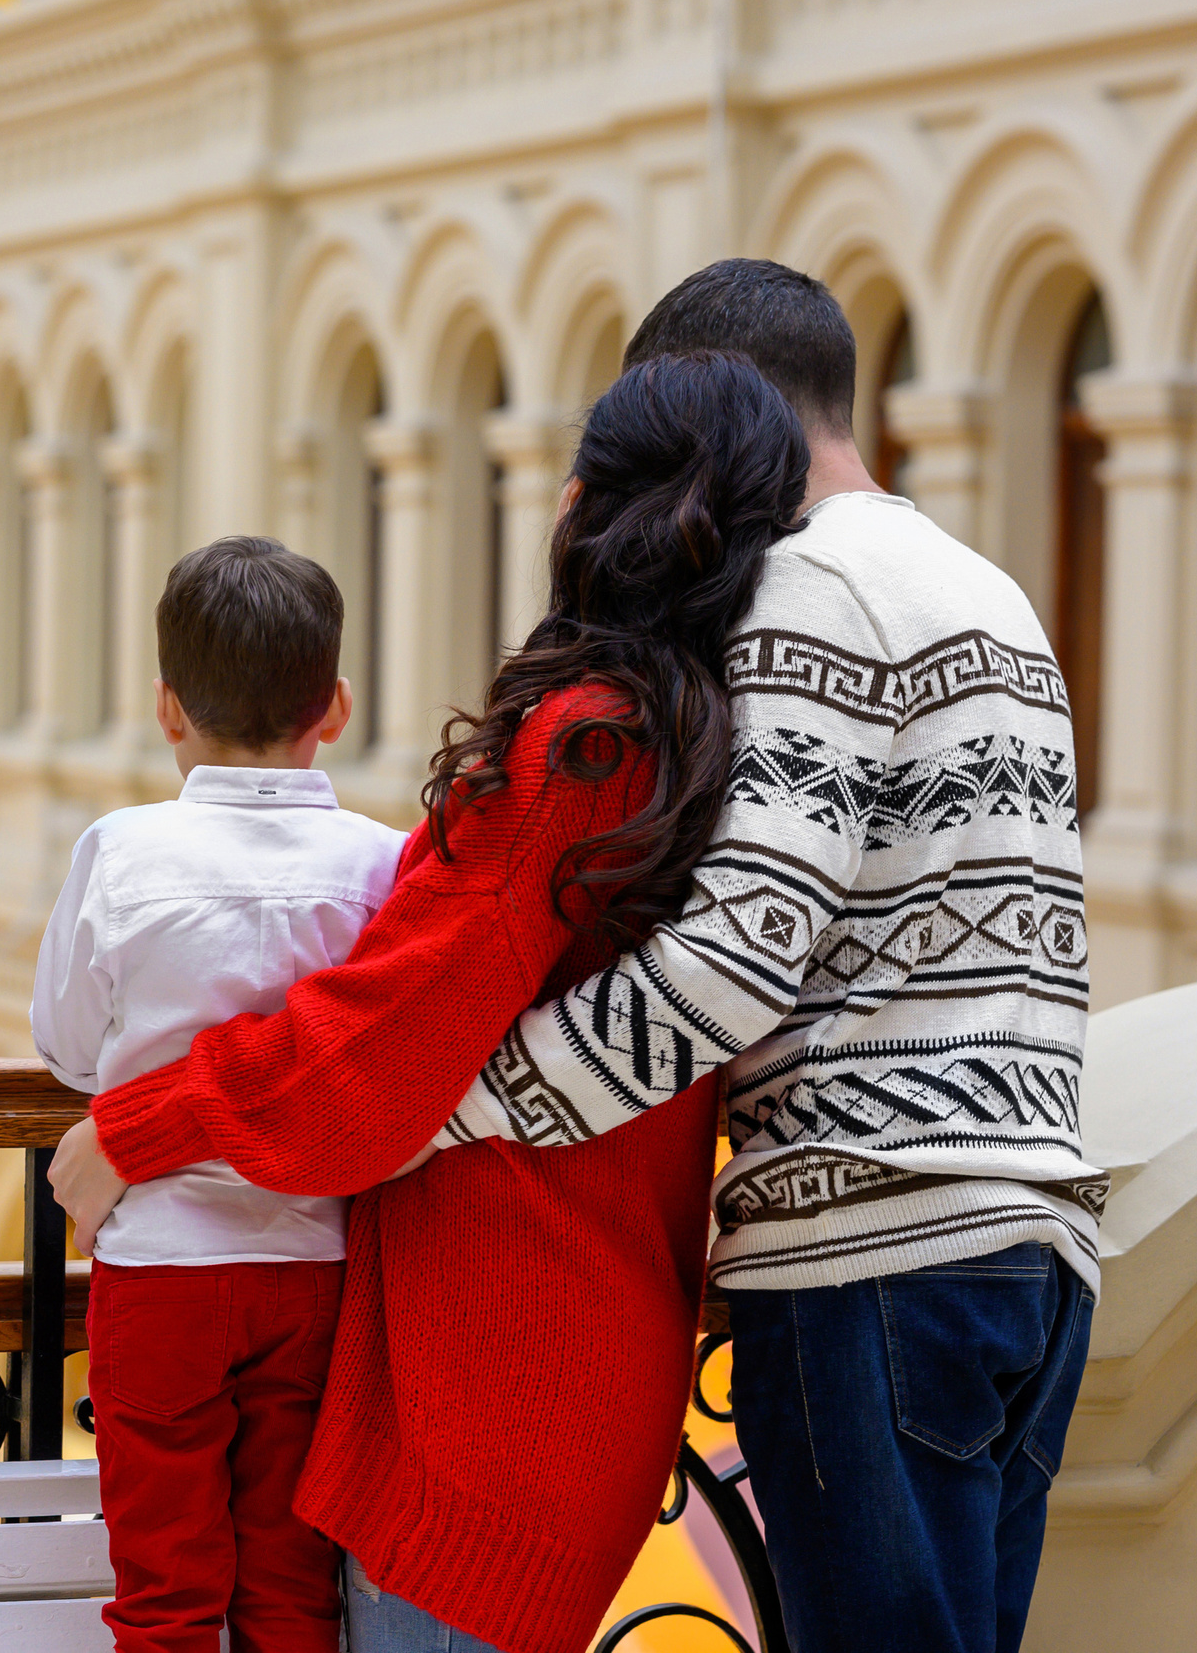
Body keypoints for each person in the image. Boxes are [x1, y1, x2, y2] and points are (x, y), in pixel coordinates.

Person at [56, 260, 1103, 1653]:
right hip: (1035, 1232)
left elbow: (730, 964)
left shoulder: (771, 624)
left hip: (860, 1255)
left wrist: (440, 1108)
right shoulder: (985, 591)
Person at [55, 348, 816, 1653]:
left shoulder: (586, 743)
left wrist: (137, 1127)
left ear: (584, 505)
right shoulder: (707, 728)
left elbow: (385, 1038)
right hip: (576, 1354)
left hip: (487, 1390)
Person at [32, 535, 408, 1653]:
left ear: (166, 708)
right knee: (292, 1586)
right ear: (334, 707)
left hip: (160, 1274)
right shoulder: (384, 867)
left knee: (164, 1592)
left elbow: (64, 1046)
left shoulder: (123, 849)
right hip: (316, 1269)